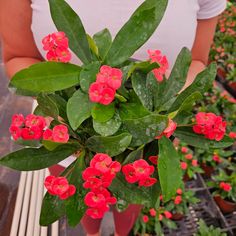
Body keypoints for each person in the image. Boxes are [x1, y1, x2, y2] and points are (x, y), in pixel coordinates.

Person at [0, 0, 226, 235]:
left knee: (130, 203)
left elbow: (198, 62)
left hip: (149, 139)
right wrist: (58, 106)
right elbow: (19, 58)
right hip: (68, 137)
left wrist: (168, 101)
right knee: (83, 201)